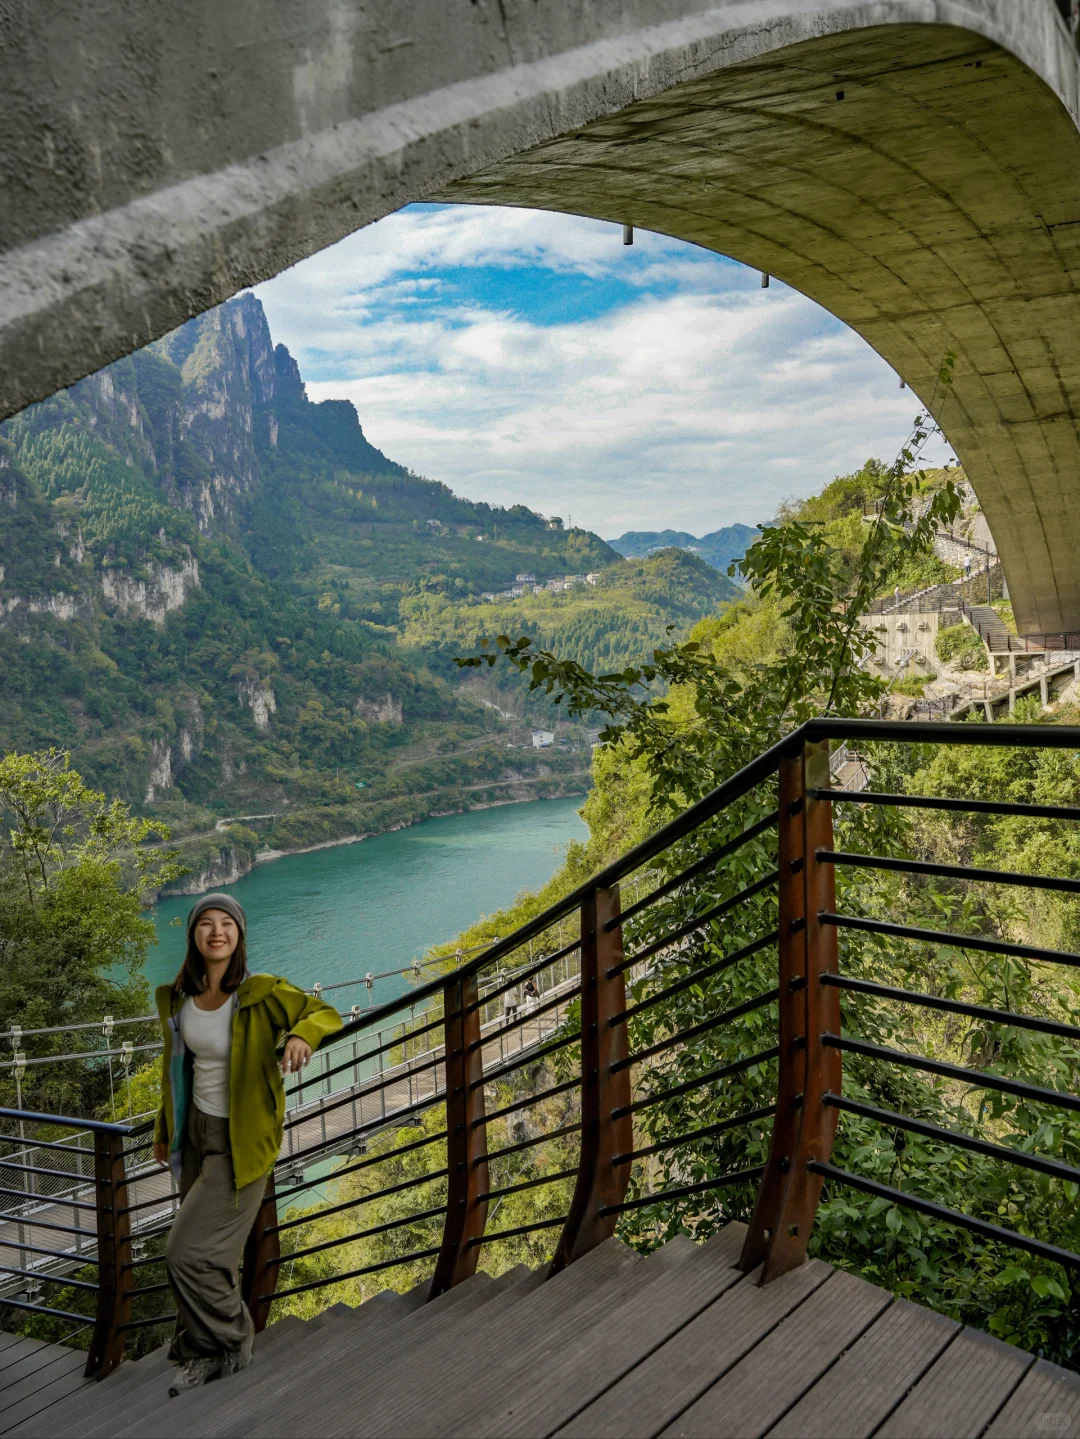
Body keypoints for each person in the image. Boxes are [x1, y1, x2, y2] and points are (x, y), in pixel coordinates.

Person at [152, 893, 341, 1396]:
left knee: (184, 1253)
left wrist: (302, 1034)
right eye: (206, 924)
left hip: (242, 1141)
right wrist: (162, 1132)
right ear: (194, 936)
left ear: (238, 935)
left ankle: (234, 1340)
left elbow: (322, 1011)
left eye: (227, 924)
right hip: (193, 1136)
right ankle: (201, 1354)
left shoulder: (258, 992)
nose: (217, 932)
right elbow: (175, 1073)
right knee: (210, 1256)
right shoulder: (179, 998)